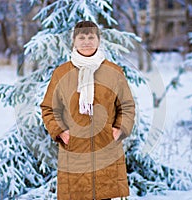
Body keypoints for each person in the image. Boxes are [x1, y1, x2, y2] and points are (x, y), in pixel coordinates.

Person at [41, 21, 135, 200]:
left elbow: (127, 106)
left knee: (105, 195)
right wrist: (60, 131)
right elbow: (49, 108)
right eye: (81, 37)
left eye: (91, 37)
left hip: (106, 148)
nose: (86, 41)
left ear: (99, 40)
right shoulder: (61, 73)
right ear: (74, 41)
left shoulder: (113, 72)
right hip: (74, 150)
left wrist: (119, 129)